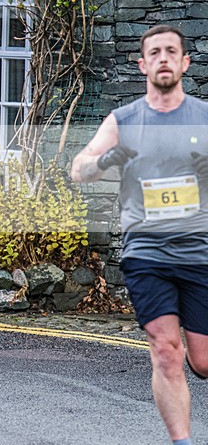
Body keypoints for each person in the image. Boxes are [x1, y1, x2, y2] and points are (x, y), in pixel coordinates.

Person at [72, 24, 208, 445]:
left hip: (198, 250)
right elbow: (79, 170)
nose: (164, 58)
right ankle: (182, 442)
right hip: (146, 252)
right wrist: (109, 158)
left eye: (172, 51)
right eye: (155, 52)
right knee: (166, 350)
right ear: (143, 64)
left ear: (185, 62)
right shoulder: (124, 120)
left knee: (202, 362)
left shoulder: (204, 117)